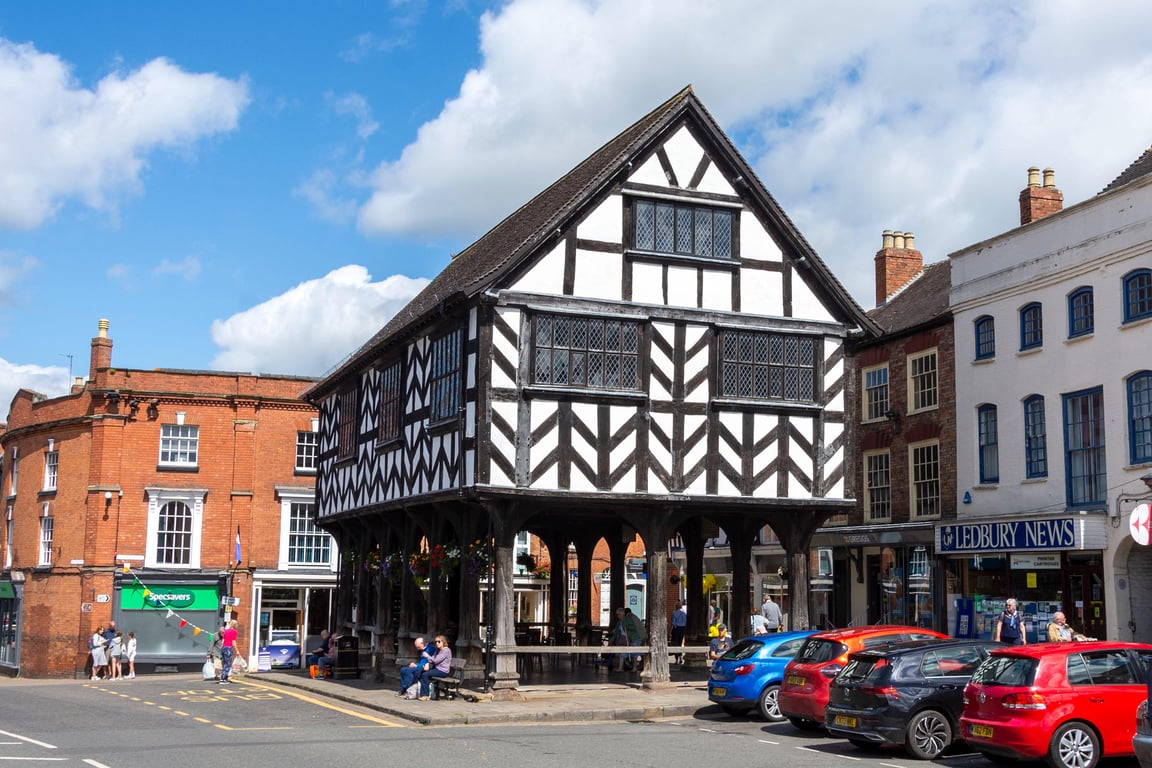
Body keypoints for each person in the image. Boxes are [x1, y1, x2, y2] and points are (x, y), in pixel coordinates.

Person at [417, 635, 452, 700]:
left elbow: (436, 660)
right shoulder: (437, 650)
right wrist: (427, 663)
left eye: (439, 641)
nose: (437, 643)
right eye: (436, 642)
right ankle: (421, 694)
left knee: (425, 675)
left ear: (443, 642)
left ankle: (425, 695)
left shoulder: (446, 650)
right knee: (421, 672)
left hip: (443, 671)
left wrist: (427, 656)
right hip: (437, 669)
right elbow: (432, 658)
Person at [219, 619, 238, 684]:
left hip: (223, 648)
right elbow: (233, 642)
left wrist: (221, 649)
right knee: (228, 664)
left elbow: (223, 641)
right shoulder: (234, 631)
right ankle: (223, 679)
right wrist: (237, 651)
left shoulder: (226, 631)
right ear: (235, 625)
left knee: (225, 663)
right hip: (228, 648)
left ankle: (224, 678)